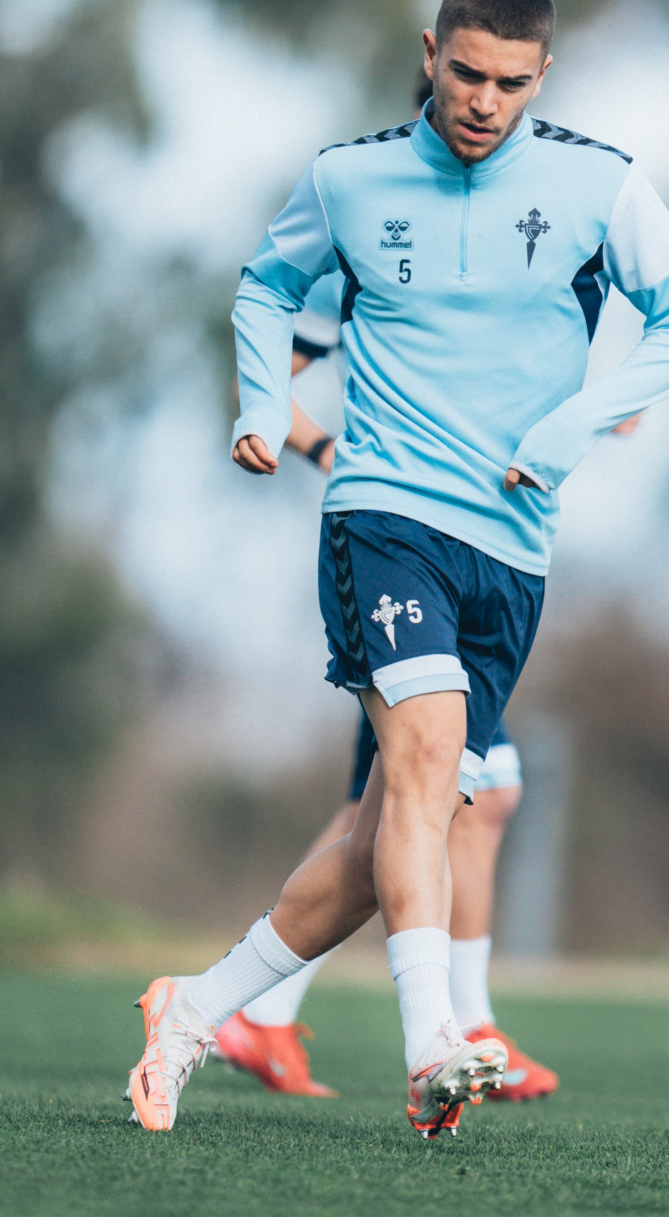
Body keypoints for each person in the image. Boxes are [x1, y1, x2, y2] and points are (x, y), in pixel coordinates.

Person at [125, 0, 669, 1136]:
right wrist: (259, 407)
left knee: (396, 819)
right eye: (465, 72)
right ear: (429, 50)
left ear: (541, 76)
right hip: (384, 514)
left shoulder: (600, 185)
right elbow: (262, 290)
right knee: (433, 763)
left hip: (514, 546)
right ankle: (436, 1041)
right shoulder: (349, 179)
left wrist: (575, 421)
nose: (483, 101)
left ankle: (196, 1007)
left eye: (509, 82)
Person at [209, 269, 557, 1103]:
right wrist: (326, 448)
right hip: (402, 545)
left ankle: (254, 1010)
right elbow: (256, 378)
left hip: (483, 560)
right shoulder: (382, 256)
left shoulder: (526, 255)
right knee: (423, 796)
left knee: (417, 802)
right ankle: (452, 1028)